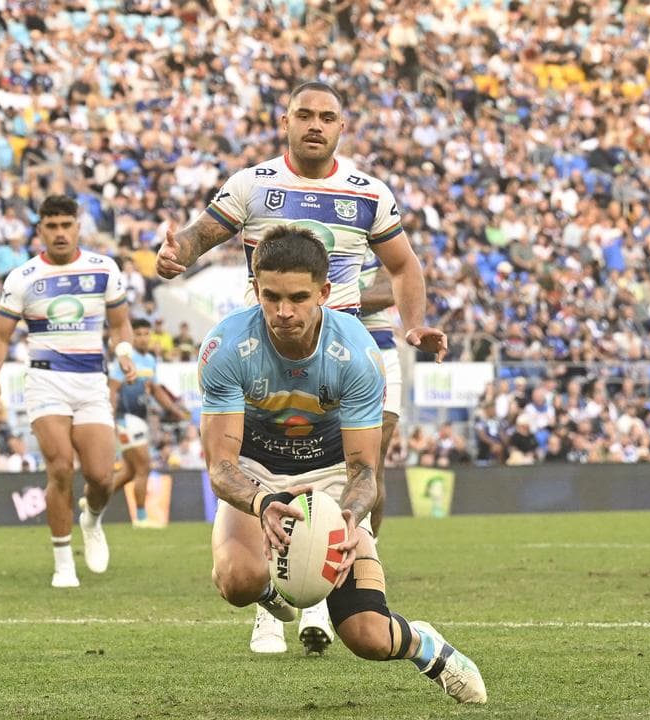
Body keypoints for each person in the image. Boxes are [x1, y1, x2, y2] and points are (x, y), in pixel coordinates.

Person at [155, 80, 447, 656]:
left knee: (368, 461)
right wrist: (177, 253)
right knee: (267, 458)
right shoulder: (253, 184)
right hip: (272, 342)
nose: (316, 125)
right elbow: (199, 235)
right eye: (305, 115)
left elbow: (404, 266)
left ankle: (320, 575)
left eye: (328, 117)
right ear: (285, 121)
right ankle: (273, 595)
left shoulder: (367, 193)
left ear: (342, 127)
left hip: (352, 348)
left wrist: (413, 325)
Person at [199, 227, 485, 703]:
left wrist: (350, 517)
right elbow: (222, 466)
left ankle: (429, 646)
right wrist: (265, 500)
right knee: (236, 582)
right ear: (255, 289)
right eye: (270, 296)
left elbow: (364, 472)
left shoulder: (355, 354)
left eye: (298, 297)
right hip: (259, 472)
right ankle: (272, 594)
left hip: (332, 477)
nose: (283, 312)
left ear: (324, 293)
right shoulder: (226, 346)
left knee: (368, 636)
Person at [0, 194, 135, 589]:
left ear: (78, 226)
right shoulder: (22, 277)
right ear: (40, 230)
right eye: (52, 226)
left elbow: (120, 325)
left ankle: (92, 519)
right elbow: (0, 336)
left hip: (91, 383)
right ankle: (63, 562)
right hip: (46, 380)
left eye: (67, 225)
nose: (60, 233)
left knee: (101, 476)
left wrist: (126, 351)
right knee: (61, 467)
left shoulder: (104, 269)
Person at [109, 317, 188, 528]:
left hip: (141, 419)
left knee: (129, 471)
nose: (143, 338)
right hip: (126, 418)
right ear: (132, 337)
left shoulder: (151, 361)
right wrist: (112, 420)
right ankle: (142, 518)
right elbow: (113, 390)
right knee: (144, 466)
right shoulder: (126, 359)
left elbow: (156, 390)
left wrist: (174, 410)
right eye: (139, 334)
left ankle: (92, 500)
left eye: (146, 334)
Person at [356, 249, 403, 537]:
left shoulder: (378, 245)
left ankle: (367, 552)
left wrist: (333, 300)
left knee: (373, 465)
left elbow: (390, 291)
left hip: (381, 354)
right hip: (331, 354)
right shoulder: (317, 237)